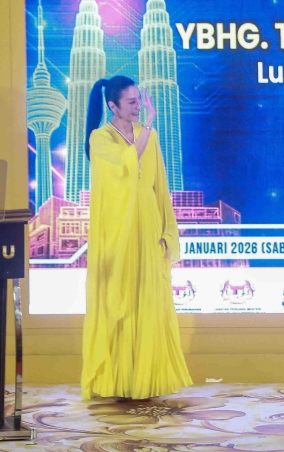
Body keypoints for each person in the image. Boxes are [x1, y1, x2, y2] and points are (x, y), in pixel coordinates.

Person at [80, 75, 192, 399]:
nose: (138, 107)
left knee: (149, 299)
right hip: (118, 230)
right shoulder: (100, 139)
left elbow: (159, 185)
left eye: (138, 101)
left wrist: (166, 231)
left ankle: (146, 380)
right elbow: (128, 165)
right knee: (120, 302)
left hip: (147, 224)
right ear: (112, 106)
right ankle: (117, 381)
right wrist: (151, 124)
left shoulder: (149, 136)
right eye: (131, 102)